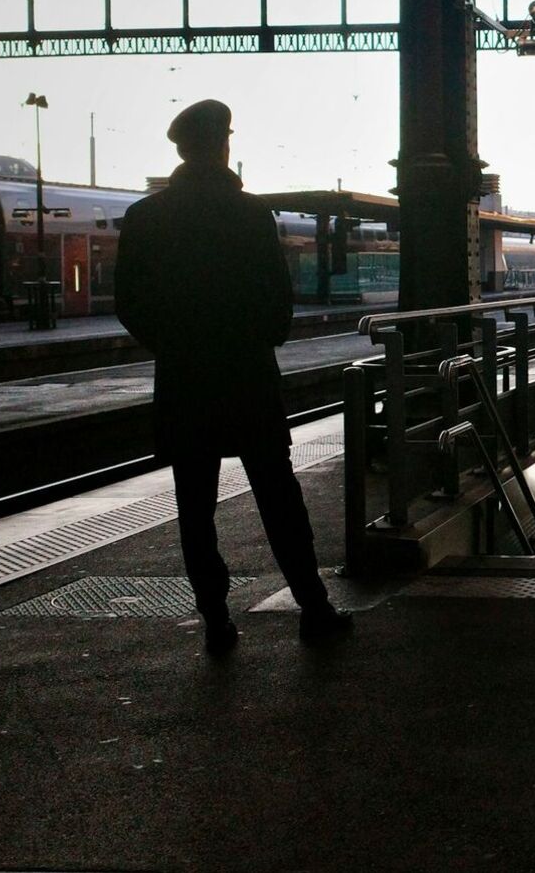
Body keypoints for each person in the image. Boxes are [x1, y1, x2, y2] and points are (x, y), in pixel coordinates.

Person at [116, 99, 353, 656]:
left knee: (194, 505)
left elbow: (130, 303)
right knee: (278, 494)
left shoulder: (146, 218)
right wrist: (256, 338)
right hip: (247, 377)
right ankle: (313, 606)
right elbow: (277, 303)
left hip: (185, 381)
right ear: (223, 144)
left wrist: (174, 345)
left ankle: (216, 622)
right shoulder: (249, 214)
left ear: (180, 149)